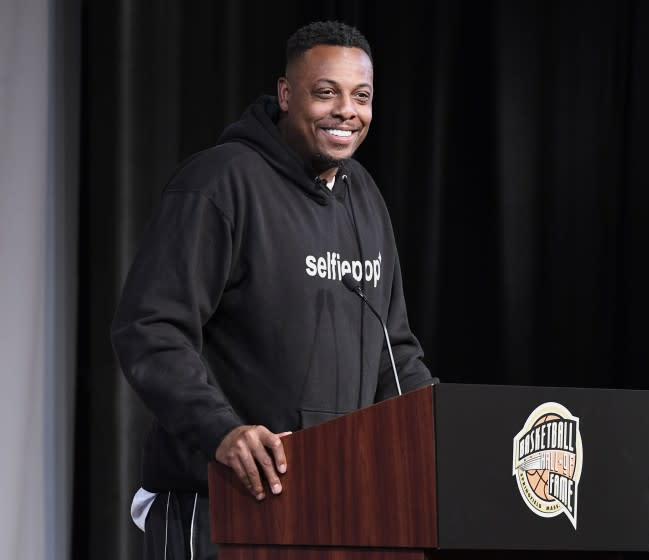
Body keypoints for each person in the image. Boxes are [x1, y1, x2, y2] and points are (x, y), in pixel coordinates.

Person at [111, 20, 436, 560]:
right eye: (325, 92)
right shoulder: (219, 183)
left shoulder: (365, 198)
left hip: (337, 509)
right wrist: (222, 432)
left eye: (362, 96)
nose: (346, 111)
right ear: (286, 94)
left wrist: (441, 432)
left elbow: (394, 352)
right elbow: (150, 329)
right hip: (221, 503)